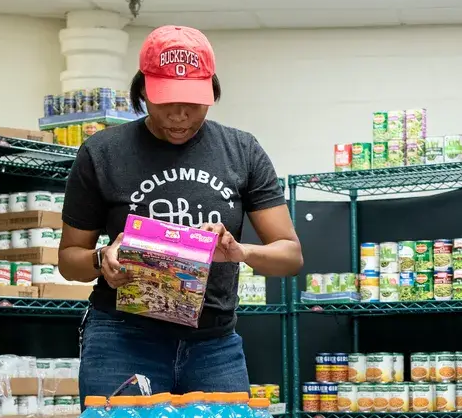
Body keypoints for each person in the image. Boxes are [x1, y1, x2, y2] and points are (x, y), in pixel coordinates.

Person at [60, 25, 303, 398]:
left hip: (213, 344)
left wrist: (241, 252)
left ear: (212, 91)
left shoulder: (242, 150)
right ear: (142, 90)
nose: (179, 115)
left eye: (193, 102)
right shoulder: (102, 152)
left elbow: (289, 255)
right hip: (122, 339)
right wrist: (102, 259)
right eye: (165, 100)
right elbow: (68, 259)